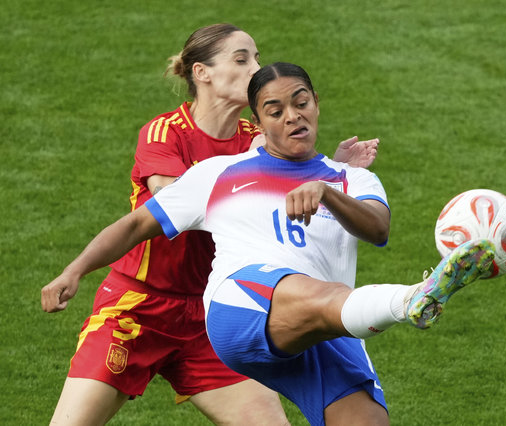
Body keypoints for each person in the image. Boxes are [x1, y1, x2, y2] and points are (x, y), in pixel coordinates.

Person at [42, 62, 496, 425]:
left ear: (316, 104)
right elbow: (134, 225)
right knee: (313, 292)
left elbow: (378, 228)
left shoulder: (352, 177)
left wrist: (327, 192)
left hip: (325, 326)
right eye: (275, 110)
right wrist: (74, 270)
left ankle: (407, 301)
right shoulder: (220, 174)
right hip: (240, 307)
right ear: (258, 122)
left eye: (301, 103)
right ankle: (411, 300)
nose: (292, 115)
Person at [41, 24, 378, 426]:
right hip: (138, 309)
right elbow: (175, 201)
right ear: (202, 73)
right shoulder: (167, 133)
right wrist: (75, 270)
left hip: (212, 315)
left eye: (256, 57)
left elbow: (292, 179)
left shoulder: (258, 137)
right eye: (242, 59)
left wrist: (332, 172)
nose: (256, 67)